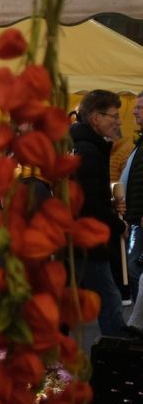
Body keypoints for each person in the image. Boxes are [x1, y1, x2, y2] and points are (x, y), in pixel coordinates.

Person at [70, 90, 129, 339]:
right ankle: (116, 357)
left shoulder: (85, 145)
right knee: (110, 298)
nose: (118, 121)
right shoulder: (89, 150)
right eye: (113, 116)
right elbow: (88, 202)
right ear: (95, 118)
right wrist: (117, 224)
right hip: (87, 238)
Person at [123, 93, 143, 335]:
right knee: (134, 266)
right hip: (136, 218)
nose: (135, 112)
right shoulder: (139, 143)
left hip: (139, 219)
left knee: (135, 267)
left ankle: (136, 324)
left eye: (140, 107)